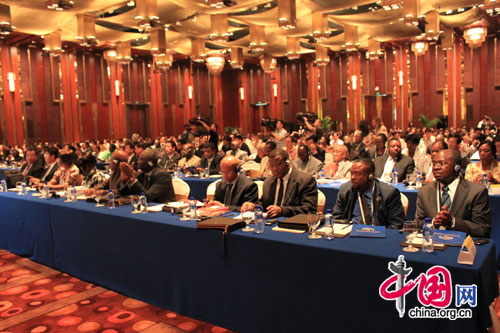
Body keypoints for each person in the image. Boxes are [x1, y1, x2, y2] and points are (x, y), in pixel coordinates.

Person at [416, 150, 491, 237]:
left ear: (457, 167)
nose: (436, 167)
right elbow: (418, 224)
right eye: (434, 164)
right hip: (433, 244)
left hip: (462, 245)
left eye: (442, 163)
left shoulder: (476, 192)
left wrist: (453, 222)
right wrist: (433, 222)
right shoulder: (424, 191)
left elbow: (483, 230)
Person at [241, 149, 317, 217]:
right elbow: (264, 205)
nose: (275, 169)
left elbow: (310, 209)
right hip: (270, 222)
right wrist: (254, 206)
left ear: (287, 163)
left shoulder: (305, 180)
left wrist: (282, 210)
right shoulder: (268, 181)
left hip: (292, 223)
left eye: (278, 165)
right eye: (272, 166)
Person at [332, 158, 405, 229]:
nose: (352, 177)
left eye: (357, 173)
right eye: (352, 173)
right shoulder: (345, 190)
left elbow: (397, 224)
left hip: (378, 234)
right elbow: (337, 218)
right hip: (350, 232)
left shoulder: (389, 193)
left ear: (371, 176)